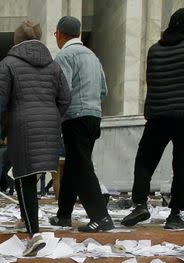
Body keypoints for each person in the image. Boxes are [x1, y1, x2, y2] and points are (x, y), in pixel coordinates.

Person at [121, 8, 184, 230]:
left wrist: (150, 111)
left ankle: (140, 204)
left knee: (144, 160)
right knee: (182, 165)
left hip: (158, 116)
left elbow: (151, 84)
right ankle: (175, 215)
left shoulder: (154, 50)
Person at [0, 20, 71, 256]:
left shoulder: (8, 64)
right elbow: (65, 98)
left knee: (23, 178)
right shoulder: (53, 65)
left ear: (16, 40)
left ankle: (33, 234)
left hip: (22, 125)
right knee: (31, 174)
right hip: (49, 124)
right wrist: (52, 117)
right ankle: (25, 218)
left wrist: (2, 128)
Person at [49, 16, 113, 233]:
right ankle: (63, 215)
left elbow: (63, 91)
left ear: (59, 33)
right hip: (94, 115)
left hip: (75, 117)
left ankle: (101, 216)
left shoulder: (64, 56)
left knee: (82, 167)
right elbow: (104, 89)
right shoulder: (93, 57)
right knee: (75, 166)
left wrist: (56, 115)